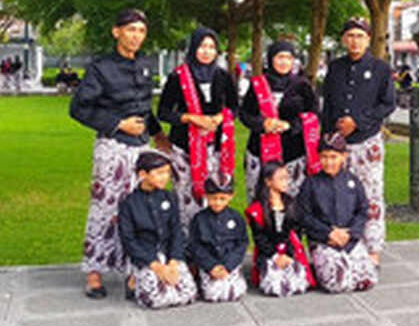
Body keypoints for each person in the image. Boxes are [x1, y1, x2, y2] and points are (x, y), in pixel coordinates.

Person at [69, 8, 166, 299]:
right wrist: (117, 123)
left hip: (142, 150)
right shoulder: (101, 68)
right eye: (130, 29)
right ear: (117, 32)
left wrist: (160, 136)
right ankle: (95, 272)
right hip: (113, 147)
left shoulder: (145, 66)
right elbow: (78, 108)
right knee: (105, 209)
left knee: (140, 209)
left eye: (141, 31)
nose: (136, 36)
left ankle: (132, 270)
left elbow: (145, 108)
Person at [319, 18, 395, 264]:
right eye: (350, 36)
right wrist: (328, 137)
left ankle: (373, 247)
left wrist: (359, 122)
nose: (355, 41)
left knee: (371, 194)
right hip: (338, 143)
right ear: (343, 39)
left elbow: (388, 103)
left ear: (369, 39)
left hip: (367, 141)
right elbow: (328, 103)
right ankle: (343, 242)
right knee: (339, 193)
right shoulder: (335, 68)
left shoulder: (381, 68)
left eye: (360, 36)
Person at [157, 27, 239, 230]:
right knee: (186, 197)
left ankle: (210, 244)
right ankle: (186, 246)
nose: (207, 51)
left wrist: (221, 117)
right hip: (185, 148)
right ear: (193, 48)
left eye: (212, 47)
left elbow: (234, 107)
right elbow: (164, 112)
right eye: (203, 46)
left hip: (215, 148)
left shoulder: (223, 76)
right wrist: (191, 118)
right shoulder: (178, 77)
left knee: (213, 195)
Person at [296, 132, 378, 293]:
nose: (328, 162)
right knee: (337, 284)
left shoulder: (352, 181)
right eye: (324, 157)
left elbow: (362, 210)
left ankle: (346, 264)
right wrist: (329, 233)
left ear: (343, 157)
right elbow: (304, 215)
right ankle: (329, 267)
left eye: (333, 157)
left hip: (349, 238)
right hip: (324, 240)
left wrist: (350, 233)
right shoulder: (311, 183)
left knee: (368, 280)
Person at [118, 151, 197, 309]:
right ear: (143, 174)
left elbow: (176, 230)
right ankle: (133, 280)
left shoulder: (168, 197)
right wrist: (156, 266)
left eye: (167, 172)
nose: (165, 177)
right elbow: (129, 240)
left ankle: (156, 284)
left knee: (189, 294)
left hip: (168, 254)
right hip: (146, 257)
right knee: (154, 300)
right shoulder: (129, 203)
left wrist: (173, 262)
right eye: (159, 173)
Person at [240, 41, 319, 199]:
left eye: (289, 58)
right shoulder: (258, 84)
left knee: (292, 203)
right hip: (260, 152)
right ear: (270, 59)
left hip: (292, 153)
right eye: (280, 57)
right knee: (261, 200)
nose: (284, 62)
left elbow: (314, 114)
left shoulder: (302, 85)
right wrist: (262, 124)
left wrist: (290, 125)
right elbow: (244, 113)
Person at [246, 161, 315, 297]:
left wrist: (288, 254)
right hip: (269, 253)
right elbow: (259, 238)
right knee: (276, 287)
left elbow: (296, 231)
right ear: (268, 182)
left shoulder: (292, 204)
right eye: (281, 178)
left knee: (297, 284)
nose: (286, 182)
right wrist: (275, 255)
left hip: (289, 250)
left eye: (287, 178)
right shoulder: (257, 210)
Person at [186, 175, 249, 303]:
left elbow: (242, 243)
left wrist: (229, 265)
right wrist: (211, 266)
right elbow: (195, 245)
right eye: (213, 198)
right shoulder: (199, 219)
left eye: (222, 198)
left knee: (234, 292)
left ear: (231, 196)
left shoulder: (236, 218)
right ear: (206, 196)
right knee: (213, 294)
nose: (217, 202)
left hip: (229, 263)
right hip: (209, 264)